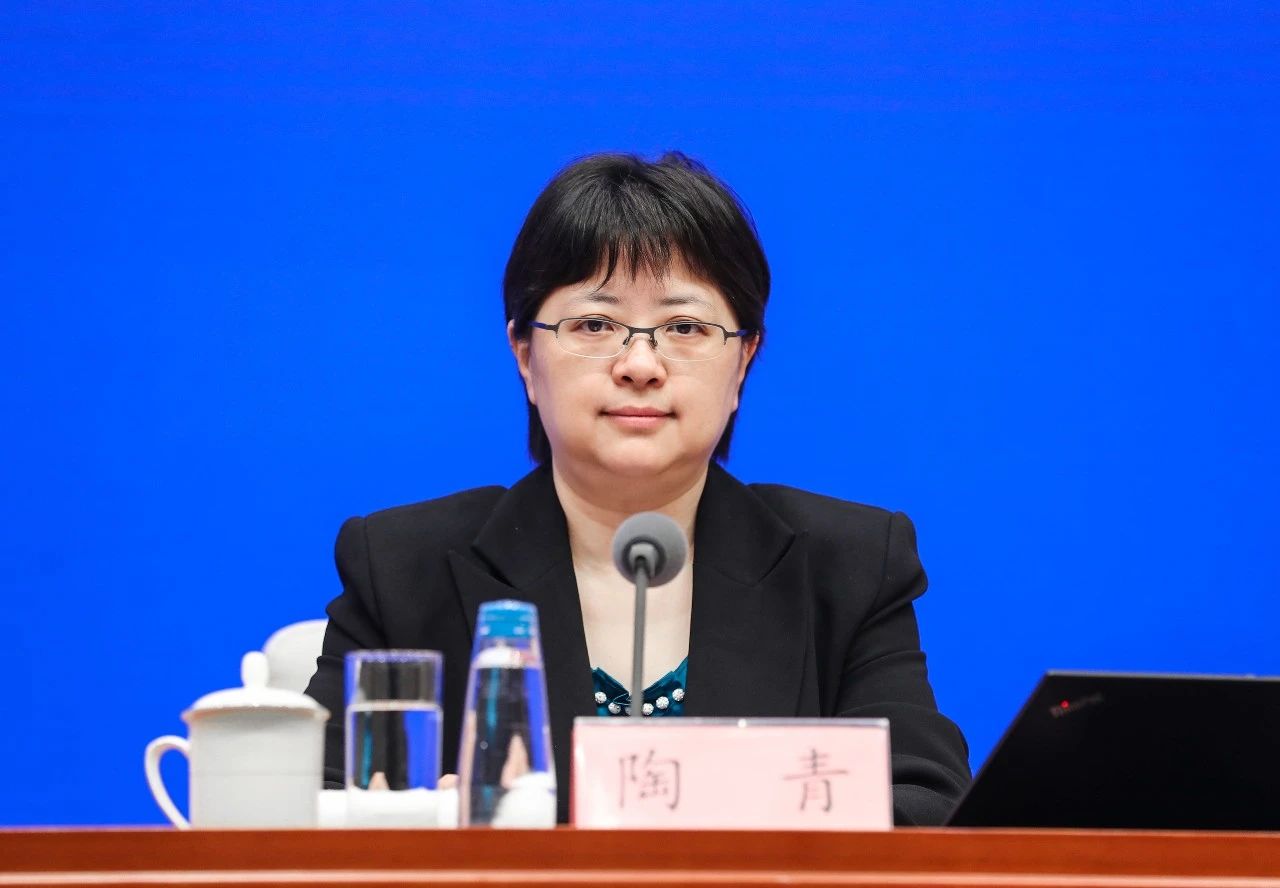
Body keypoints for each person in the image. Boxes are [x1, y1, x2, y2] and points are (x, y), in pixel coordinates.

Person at [304, 151, 971, 825]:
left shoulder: (847, 566)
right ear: (525, 355)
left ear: (744, 360)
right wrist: (424, 824)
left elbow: (929, 808)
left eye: (684, 327)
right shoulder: (403, 568)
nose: (640, 364)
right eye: (595, 325)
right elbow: (303, 810)